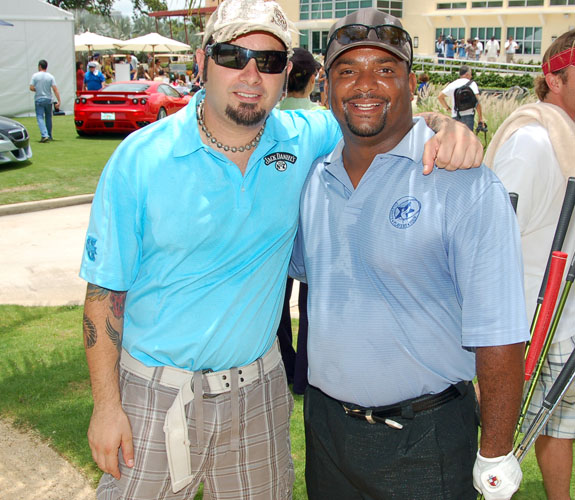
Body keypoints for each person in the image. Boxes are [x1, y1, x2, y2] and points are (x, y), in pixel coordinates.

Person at [79, 0, 483, 498]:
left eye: (268, 61)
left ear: (286, 72)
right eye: (234, 56)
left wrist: (444, 127)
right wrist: (106, 405)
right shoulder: (139, 159)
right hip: (155, 395)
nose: (251, 74)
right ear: (204, 62)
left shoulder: (305, 135)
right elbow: (103, 295)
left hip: (257, 395)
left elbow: (382, 114)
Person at [289, 8, 529, 500]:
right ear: (327, 87)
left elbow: (500, 335)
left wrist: (497, 450)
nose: (365, 84)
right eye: (348, 71)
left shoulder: (466, 185)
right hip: (327, 432)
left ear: (412, 82)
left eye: (385, 69)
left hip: (426, 440)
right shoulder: (314, 180)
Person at [485, 29, 575, 500]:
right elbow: (490, 242)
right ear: (554, 78)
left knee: (559, 428)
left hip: (563, 320)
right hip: (517, 326)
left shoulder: (569, 138)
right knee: (498, 442)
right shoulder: (534, 141)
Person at [276, 47, 324, 395]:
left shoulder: (271, 119)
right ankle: (304, 375)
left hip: (277, 225)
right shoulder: (323, 120)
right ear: (311, 79)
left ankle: (282, 364)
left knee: (276, 304)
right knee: (309, 303)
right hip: (311, 226)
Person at [438, 64, 484, 131]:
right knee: (467, 139)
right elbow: (477, 102)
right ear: (467, 74)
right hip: (468, 115)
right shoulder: (472, 84)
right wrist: (480, 118)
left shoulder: (453, 84)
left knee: (456, 140)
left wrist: (448, 109)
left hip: (455, 115)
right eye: (471, 74)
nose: (471, 76)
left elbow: (440, 97)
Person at [29, 59, 61, 143]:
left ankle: (44, 135)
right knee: (48, 117)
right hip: (48, 99)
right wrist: (59, 100)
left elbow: (31, 87)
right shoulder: (50, 76)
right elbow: (55, 89)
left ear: (39, 66)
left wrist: (37, 89)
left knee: (40, 117)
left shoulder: (35, 76)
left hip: (39, 98)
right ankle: (49, 135)